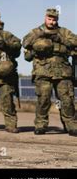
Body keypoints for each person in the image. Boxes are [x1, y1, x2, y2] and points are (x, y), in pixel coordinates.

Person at [22, 8, 77, 136]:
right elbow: (25, 42)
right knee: (44, 99)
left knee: (67, 99)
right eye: (49, 19)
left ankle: (71, 125)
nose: (52, 22)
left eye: (54, 19)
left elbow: (75, 41)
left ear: (57, 19)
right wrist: (40, 35)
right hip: (43, 71)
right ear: (45, 18)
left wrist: (60, 39)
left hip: (63, 71)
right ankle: (40, 125)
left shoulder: (64, 32)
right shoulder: (36, 31)